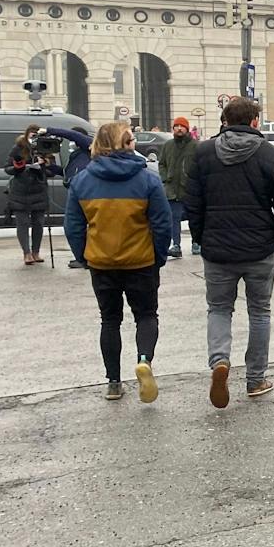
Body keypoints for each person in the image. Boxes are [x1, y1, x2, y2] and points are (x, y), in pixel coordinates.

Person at [188, 97, 274, 408]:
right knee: (259, 312)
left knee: (219, 309)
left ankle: (220, 362)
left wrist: (202, 238)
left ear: (224, 120)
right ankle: (256, 379)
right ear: (254, 122)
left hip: (217, 248)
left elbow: (192, 202)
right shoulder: (272, 155)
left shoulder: (204, 152)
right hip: (260, 248)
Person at [65, 123, 171, 402]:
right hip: (141, 261)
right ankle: (144, 361)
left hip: (102, 262)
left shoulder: (82, 180)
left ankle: (113, 382)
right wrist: (158, 256)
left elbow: (73, 227)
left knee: (109, 320)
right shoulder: (147, 179)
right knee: (146, 315)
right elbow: (162, 224)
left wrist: (84, 256)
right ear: (127, 144)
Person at [39, 124, 92, 267]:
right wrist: (49, 165)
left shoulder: (89, 146)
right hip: (75, 190)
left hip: (84, 191)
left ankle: (85, 258)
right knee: (73, 227)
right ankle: (82, 257)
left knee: (77, 226)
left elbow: (75, 136)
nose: (71, 143)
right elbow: (66, 173)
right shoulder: (76, 156)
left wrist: (51, 130)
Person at [8, 123, 60, 265]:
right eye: (32, 132)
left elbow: (52, 172)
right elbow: (8, 168)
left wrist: (43, 167)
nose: (34, 135)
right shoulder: (18, 147)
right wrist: (19, 167)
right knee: (22, 224)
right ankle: (26, 253)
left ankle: (36, 252)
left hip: (39, 190)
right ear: (27, 134)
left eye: (37, 133)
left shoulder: (46, 147)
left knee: (38, 223)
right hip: (20, 191)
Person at [157, 117, 199, 258]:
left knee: (193, 217)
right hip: (172, 190)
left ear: (187, 129)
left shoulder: (195, 146)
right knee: (174, 219)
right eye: (177, 126)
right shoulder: (168, 145)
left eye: (182, 126)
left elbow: (200, 165)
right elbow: (161, 163)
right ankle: (176, 245)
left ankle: (196, 242)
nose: (179, 128)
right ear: (173, 129)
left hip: (189, 189)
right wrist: (164, 177)